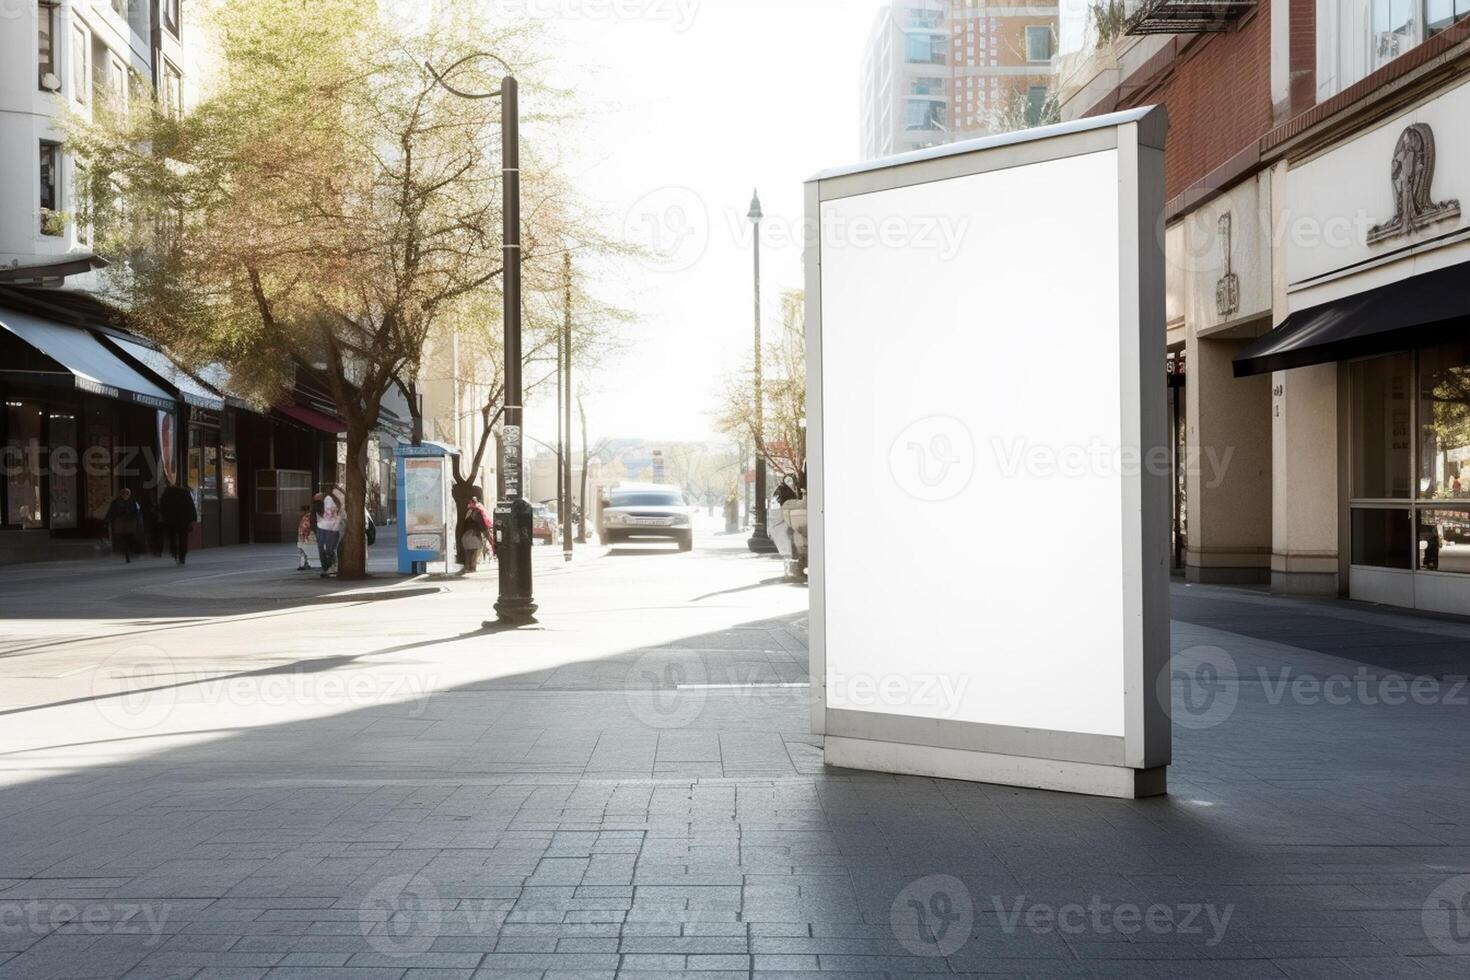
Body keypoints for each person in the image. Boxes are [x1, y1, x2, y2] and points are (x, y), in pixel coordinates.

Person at [159, 482, 199, 565]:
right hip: (183, 521)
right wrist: (192, 519)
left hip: (170, 521)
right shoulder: (185, 493)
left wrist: (164, 518)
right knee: (183, 539)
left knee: (172, 538)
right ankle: (182, 556)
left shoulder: (166, 494)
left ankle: (174, 553)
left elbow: (162, 507)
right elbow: (191, 506)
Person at [105, 488, 142, 563]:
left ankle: (128, 551)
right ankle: (127, 553)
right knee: (124, 538)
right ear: (121, 494)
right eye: (124, 494)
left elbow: (137, 512)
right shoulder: (116, 502)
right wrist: (107, 521)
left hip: (130, 523)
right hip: (120, 523)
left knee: (129, 538)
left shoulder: (133, 502)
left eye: (127, 494)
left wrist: (138, 520)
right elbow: (111, 512)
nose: (126, 495)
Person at [459, 496, 493, 572]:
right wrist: (490, 540)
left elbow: (463, 526)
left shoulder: (467, 512)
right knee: (474, 554)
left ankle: (467, 567)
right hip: (474, 536)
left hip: (465, 537)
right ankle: (472, 568)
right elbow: (483, 526)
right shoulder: (479, 512)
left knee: (468, 554)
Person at [314, 488, 343, 578]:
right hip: (325, 528)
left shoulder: (331, 502)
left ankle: (329, 567)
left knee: (328, 550)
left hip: (331, 529)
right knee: (326, 550)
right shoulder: (320, 504)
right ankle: (327, 568)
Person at [296, 505, 316, 571]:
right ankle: (306, 563)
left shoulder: (307, 517)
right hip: (304, 535)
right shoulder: (308, 516)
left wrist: (305, 535)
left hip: (304, 536)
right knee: (305, 550)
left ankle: (303, 564)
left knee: (303, 550)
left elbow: (305, 527)